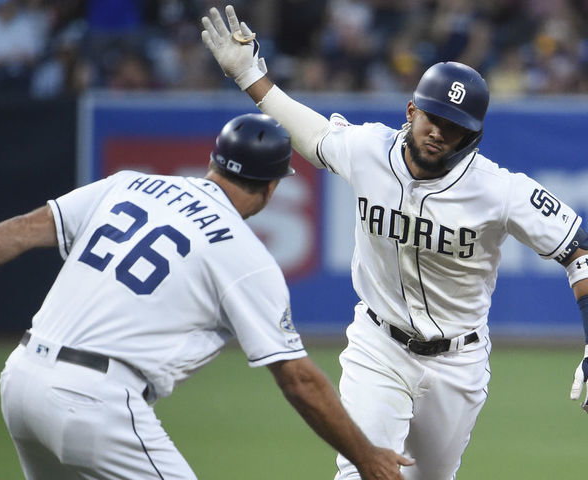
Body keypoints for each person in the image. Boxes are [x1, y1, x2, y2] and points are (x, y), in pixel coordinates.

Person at [201, 6, 588, 480]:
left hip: (458, 361)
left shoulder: (499, 191)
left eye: (456, 128)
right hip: (378, 345)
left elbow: (579, 249)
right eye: (433, 118)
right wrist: (249, 75)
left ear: (476, 136)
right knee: (362, 473)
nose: (439, 133)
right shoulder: (368, 150)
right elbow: (314, 134)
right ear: (411, 110)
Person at [0, 113, 413, 480]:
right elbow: (299, 380)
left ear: (213, 162)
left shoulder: (127, 183)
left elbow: (22, 230)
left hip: (21, 378)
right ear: (273, 187)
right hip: (95, 400)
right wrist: (366, 457)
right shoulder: (244, 254)